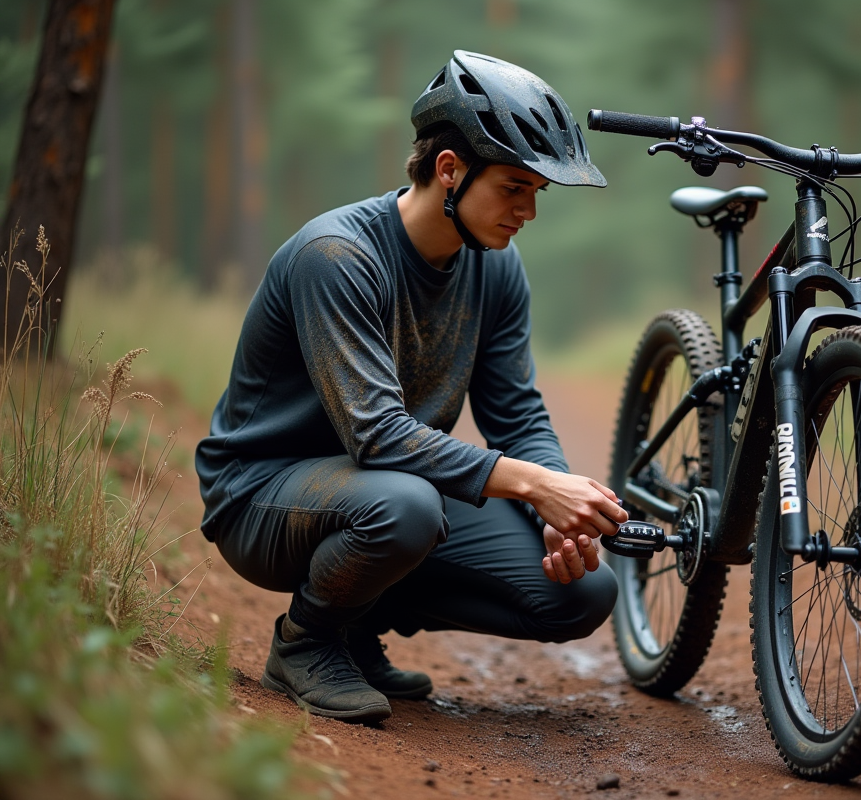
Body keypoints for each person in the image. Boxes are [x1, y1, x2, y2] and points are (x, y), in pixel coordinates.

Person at [195, 51, 628, 724]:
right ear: (450, 168)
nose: (528, 212)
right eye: (515, 187)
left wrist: (553, 511)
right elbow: (376, 433)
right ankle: (306, 644)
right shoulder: (336, 257)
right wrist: (535, 485)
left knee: (581, 594)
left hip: (384, 490)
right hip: (261, 497)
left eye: (536, 194)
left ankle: (357, 623)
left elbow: (515, 412)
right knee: (406, 507)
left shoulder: (496, 269)